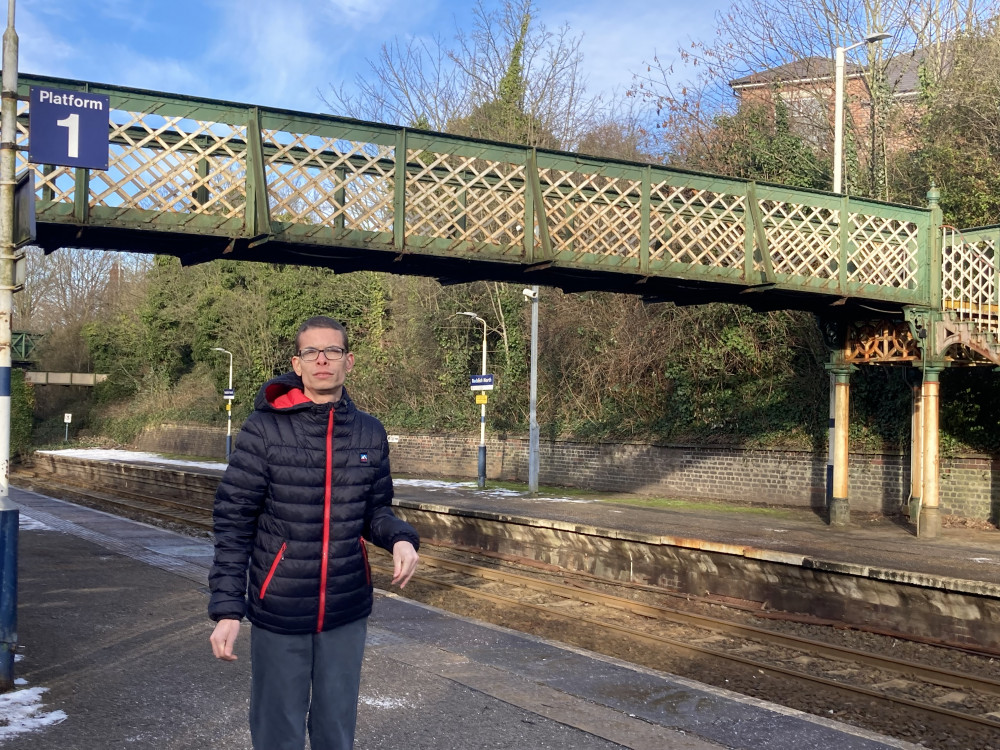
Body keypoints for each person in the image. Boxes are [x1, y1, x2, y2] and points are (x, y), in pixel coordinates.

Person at [208, 315, 420, 750]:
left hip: (345, 608)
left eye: (333, 351)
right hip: (279, 606)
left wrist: (400, 536)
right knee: (277, 731)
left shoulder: (369, 432)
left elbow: (374, 509)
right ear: (297, 363)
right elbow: (233, 522)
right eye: (312, 352)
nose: (322, 360)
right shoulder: (264, 428)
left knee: (336, 730)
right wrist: (229, 609)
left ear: (349, 361)